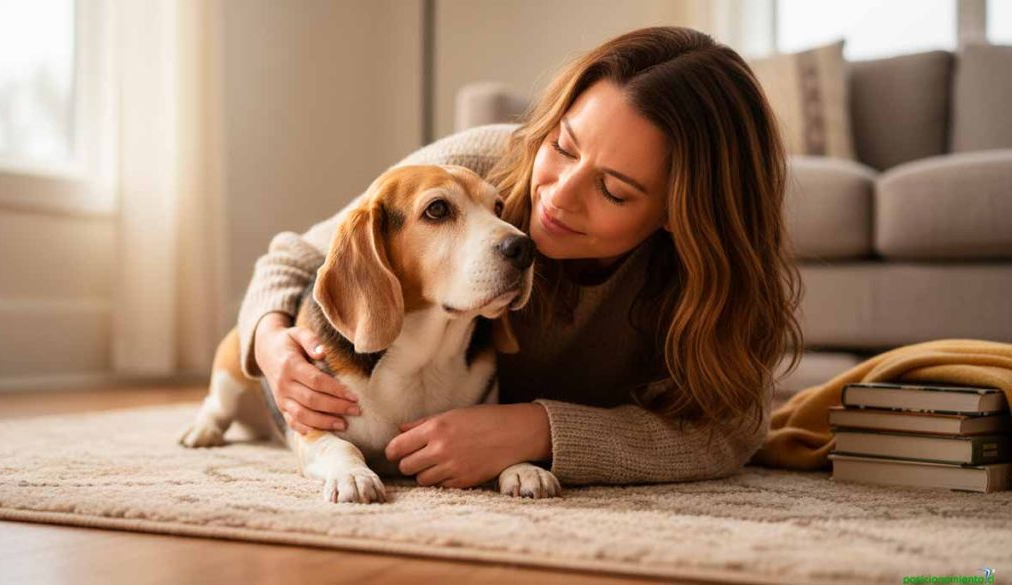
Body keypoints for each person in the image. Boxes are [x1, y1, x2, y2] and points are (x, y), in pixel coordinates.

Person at [237, 26, 804, 490]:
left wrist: (541, 431)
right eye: (564, 146)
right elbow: (293, 259)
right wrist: (269, 343)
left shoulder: (702, 276)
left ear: (680, 213)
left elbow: (732, 432)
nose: (557, 195)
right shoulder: (476, 168)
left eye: (614, 191)